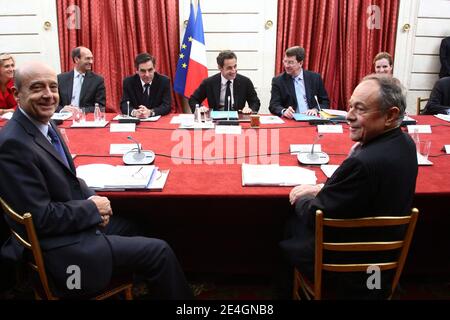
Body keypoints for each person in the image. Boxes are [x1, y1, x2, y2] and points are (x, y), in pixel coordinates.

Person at [0, 61, 193, 299]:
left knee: (138, 226)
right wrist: (91, 210)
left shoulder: (44, 123)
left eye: (53, 87)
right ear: (17, 93)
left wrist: (92, 197)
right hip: (62, 247)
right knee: (160, 251)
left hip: (70, 222)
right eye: (38, 88)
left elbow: (70, 179)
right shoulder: (13, 144)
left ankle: (130, 288)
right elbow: (41, 218)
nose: (48, 95)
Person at [279, 74, 418, 299]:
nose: (349, 117)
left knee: (291, 224)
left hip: (350, 266)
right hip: (382, 258)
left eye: (360, 109)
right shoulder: (405, 143)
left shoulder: (362, 163)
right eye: (350, 106)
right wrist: (322, 188)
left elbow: (317, 214)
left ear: (391, 115)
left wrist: (302, 198)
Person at [188, 50, 260, 114]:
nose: (234, 70)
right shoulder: (209, 82)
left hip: (239, 118)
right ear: (220, 68)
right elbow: (193, 99)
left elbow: (255, 102)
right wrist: (199, 108)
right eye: (229, 68)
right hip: (215, 120)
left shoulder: (245, 82)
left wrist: (250, 109)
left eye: (235, 66)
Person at [269, 46, 329, 118]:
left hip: (312, 119)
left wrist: (315, 109)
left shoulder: (315, 78)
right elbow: (273, 105)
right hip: (291, 120)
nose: (286, 65)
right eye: (285, 61)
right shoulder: (278, 80)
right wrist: (284, 111)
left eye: (290, 62)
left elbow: (325, 102)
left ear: (300, 63)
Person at [120, 53, 171, 118]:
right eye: (143, 71)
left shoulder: (164, 81)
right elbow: (124, 104)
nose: (147, 75)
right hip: (136, 121)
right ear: (137, 71)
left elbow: (166, 106)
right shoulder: (128, 82)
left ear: (154, 69)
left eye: (150, 70)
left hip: (156, 121)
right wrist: (134, 112)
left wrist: (150, 112)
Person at [57, 46, 106, 113]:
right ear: (76, 59)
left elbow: (101, 107)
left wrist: (80, 111)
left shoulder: (98, 80)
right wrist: (62, 109)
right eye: (87, 59)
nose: (91, 62)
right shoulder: (61, 79)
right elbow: (53, 104)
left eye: (92, 59)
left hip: (85, 119)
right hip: (64, 117)